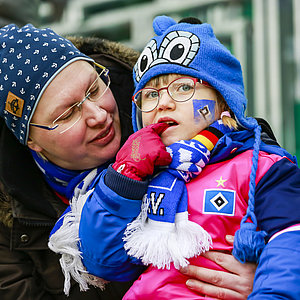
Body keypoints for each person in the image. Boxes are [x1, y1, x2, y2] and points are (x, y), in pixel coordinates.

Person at [0, 22, 256, 299]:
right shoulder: (8, 215)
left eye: (94, 89)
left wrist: (264, 277)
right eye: (66, 114)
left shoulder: (161, 106)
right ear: (31, 142)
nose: (98, 115)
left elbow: (252, 150)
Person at [119, 16, 300, 299]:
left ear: (223, 102)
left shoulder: (264, 169)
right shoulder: (134, 172)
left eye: (183, 87)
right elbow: (101, 262)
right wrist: (120, 181)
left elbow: (290, 243)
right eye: (150, 94)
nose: (163, 102)